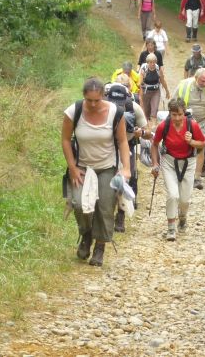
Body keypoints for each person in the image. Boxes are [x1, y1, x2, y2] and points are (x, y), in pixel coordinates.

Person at [61, 77, 131, 266]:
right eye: (89, 100)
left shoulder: (115, 113)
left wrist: (126, 168)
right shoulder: (73, 111)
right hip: (83, 167)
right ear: (83, 96)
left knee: (105, 207)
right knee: (79, 204)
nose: (92, 104)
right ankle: (86, 235)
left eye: (97, 100)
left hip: (107, 167)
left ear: (103, 96)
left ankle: (100, 246)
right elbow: (65, 140)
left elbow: (122, 141)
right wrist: (72, 168)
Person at [150, 98, 205, 241]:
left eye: (180, 114)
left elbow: (202, 143)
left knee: (185, 200)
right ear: (169, 113)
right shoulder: (164, 126)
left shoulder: (192, 125)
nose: (177, 118)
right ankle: (171, 228)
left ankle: (182, 216)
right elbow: (155, 144)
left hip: (188, 162)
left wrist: (191, 141)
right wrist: (155, 163)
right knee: (173, 195)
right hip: (169, 161)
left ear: (184, 112)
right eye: (174, 115)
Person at [105, 77, 150, 232]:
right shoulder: (102, 106)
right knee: (107, 181)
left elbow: (148, 132)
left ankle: (120, 216)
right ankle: (107, 215)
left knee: (124, 181)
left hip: (128, 145)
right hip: (107, 147)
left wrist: (140, 132)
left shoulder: (134, 107)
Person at [171, 68, 205, 190]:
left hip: (203, 122)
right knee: (183, 145)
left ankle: (197, 177)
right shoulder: (183, 85)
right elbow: (173, 103)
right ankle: (181, 172)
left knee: (201, 146)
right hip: (185, 120)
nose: (204, 84)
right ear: (195, 78)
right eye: (202, 81)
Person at [140, 53, 170, 129]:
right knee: (146, 111)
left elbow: (162, 80)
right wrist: (141, 95)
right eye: (150, 62)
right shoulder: (144, 69)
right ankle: (147, 128)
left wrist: (167, 91)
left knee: (154, 109)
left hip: (156, 91)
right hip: (146, 92)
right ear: (147, 62)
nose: (152, 64)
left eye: (154, 62)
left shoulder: (158, 69)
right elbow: (140, 83)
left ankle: (154, 128)